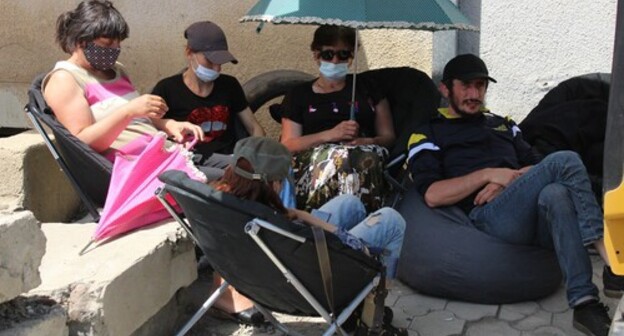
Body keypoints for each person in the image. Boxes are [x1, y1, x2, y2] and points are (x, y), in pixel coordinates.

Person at [406, 53, 624, 336]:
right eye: (466, 86)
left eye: (481, 85)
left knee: (557, 193)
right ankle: (612, 261)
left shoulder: (502, 124)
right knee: (566, 160)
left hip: (522, 204)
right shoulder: (428, 132)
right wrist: (487, 175)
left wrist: (507, 180)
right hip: (489, 217)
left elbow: (537, 163)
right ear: (445, 89)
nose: (474, 93)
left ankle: (584, 304)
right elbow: (433, 195)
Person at [212, 136, 406, 279]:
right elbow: (354, 246)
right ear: (274, 185)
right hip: (311, 276)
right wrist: (305, 216)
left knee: (349, 203)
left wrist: (296, 214)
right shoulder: (274, 223)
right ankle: (374, 305)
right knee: (390, 219)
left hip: (279, 263)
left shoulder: (224, 203)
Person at [43, 0, 205, 163]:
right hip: (134, 168)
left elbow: (136, 120)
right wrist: (129, 111)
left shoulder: (116, 70)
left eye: (118, 42)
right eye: (107, 43)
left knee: (228, 171)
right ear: (81, 41)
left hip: (162, 153)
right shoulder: (64, 79)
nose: (115, 49)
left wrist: (167, 124)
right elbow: (82, 143)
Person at [280, 25, 396, 212]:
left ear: (351, 57)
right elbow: (288, 144)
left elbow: (388, 136)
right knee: (341, 158)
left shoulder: (366, 88)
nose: (335, 60)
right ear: (316, 55)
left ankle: (357, 218)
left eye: (343, 55)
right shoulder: (299, 94)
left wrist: (367, 140)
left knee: (360, 157)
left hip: (364, 154)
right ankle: (328, 220)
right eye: (328, 54)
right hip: (316, 159)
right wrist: (330, 135)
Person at [152, 21, 265, 167]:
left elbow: (254, 127)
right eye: (210, 61)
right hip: (189, 164)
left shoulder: (229, 85)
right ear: (189, 53)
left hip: (230, 161)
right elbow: (148, 122)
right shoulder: (167, 89)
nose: (217, 68)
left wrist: (256, 157)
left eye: (221, 62)